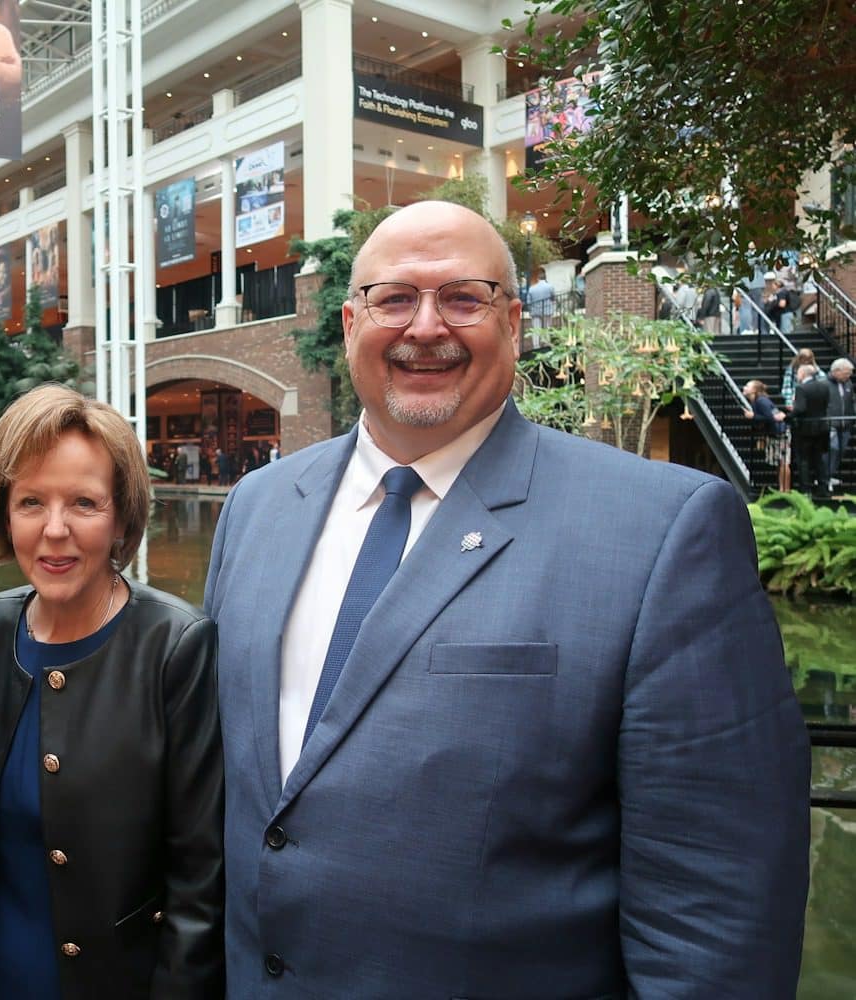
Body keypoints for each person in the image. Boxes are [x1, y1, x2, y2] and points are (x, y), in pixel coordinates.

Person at [204, 201, 808, 998]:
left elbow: (715, 914)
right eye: (394, 299)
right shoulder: (255, 509)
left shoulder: (663, 532)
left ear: (514, 323)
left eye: (464, 298)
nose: (426, 327)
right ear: (351, 323)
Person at [0, 384, 224, 1000]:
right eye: (30, 502)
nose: (55, 530)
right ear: (4, 513)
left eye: (84, 503)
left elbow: (198, 880)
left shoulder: (174, 647)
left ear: (121, 516)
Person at [743, 379, 791, 492]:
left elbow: (770, 418)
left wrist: (753, 416)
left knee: (783, 462)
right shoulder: (756, 401)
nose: (744, 388)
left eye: (747, 386)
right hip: (774, 433)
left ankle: (785, 489)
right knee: (779, 462)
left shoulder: (761, 401)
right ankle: (782, 488)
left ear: (754, 390)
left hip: (780, 433)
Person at [793, 362, 832, 496]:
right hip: (822, 427)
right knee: (819, 459)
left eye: (798, 373)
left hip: (805, 429)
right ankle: (823, 488)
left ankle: (805, 489)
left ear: (803, 374)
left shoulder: (801, 388)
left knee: (804, 460)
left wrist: (788, 416)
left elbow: (800, 408)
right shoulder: (824, 386)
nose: (797, 375)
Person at [828, 358, 853, 487]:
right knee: (833, 449)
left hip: (846, 425)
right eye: (846, 373)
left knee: (841, 451)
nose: (849, 376)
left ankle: (830, 475)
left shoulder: (848, 384)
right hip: (831, 424)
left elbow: (850, 402)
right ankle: (825, 477)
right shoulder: (825, 384)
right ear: (836, 371)